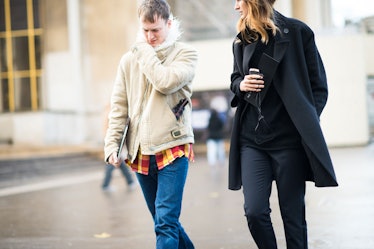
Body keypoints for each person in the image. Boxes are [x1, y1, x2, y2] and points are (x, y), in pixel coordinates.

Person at [228, 1, 338, 249]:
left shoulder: (299, 33)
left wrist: (306, 120)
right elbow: (235, 78)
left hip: (289, 143)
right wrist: (241, 84)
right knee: (254, 211)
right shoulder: (241, 39)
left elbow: (318, 86)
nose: (235, 6)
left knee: (293, 218)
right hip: (251, 141)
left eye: (239, 0)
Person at [104, 0, 198, 248]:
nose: (149, 36)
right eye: (145, 31)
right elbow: (119, 107)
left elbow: (164, 82)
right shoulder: (128, 61)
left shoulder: (186, 54)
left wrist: (145, 52)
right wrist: (112, 145)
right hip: (140, 151)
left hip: (173, 146)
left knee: (166, 221)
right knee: (164, 221)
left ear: (169, 23)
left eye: (155, 30)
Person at [102, 104, 136, 192]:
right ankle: (105, 185)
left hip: (111, 140)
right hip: (113, 140)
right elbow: (112, 128)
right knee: (113, 162)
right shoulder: (111, 112)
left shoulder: (108, 111)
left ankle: (130, 181)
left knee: (119, 162)